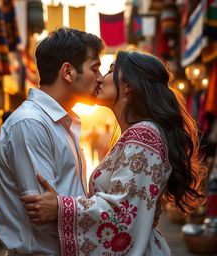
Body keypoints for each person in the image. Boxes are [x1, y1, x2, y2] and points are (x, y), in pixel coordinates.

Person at [21, 50, 207, 255]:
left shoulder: (144, 135)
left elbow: (124, 215)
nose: (100, 78)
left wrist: (62, 209)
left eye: (110, 71)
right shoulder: (138, 134)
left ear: (128, 86)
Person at [0, 27, 104, 255]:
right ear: (68, 72)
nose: (100, 79)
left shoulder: (61, 123)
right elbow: (43, 217)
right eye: (95, 69)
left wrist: (67, 208)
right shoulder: (30, 124)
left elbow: (58, 206)